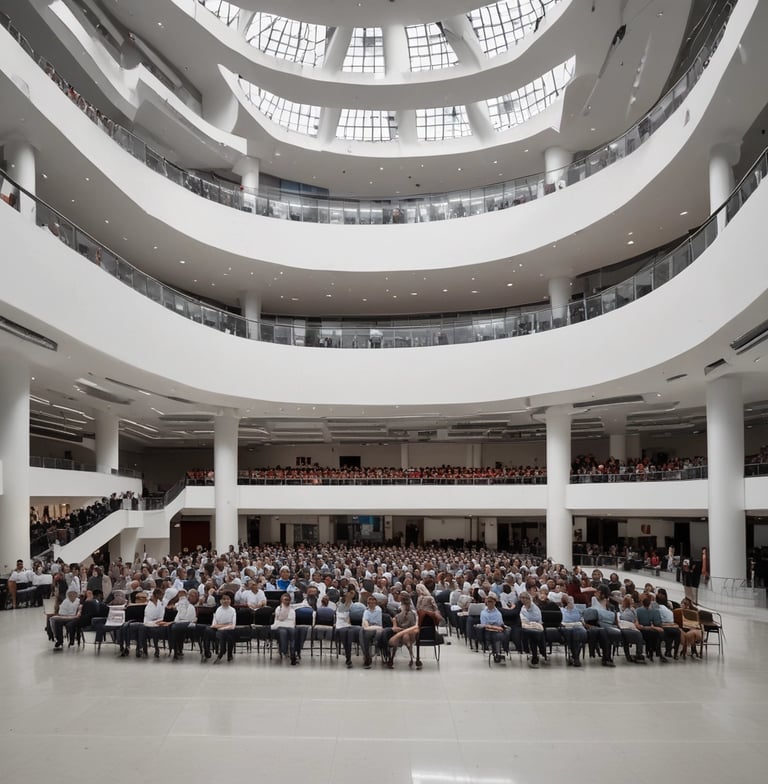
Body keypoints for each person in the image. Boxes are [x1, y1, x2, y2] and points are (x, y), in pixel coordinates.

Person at [384, 594, 418, 668]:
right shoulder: (411, 614)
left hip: (403, 634)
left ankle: (392, 658)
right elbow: (412, 626)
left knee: (403, 636)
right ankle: (411, 657)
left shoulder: (399, 616)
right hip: (406, 634)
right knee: (405, 636)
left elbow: (396, 627)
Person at [203, 592, 237, 663]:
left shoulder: (232, 610)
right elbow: (214, 624)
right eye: (224, 599)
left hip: (228, 631)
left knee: (221, 633)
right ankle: (207, 652)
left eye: (228, 599)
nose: (226, 601)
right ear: (220, 600)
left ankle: (221, 653)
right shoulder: (217, 610)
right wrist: (225, 625)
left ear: (230, 600)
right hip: (217, 629)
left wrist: (221, 627)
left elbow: (232, 626)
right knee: (207, 629)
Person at [519, 592, 547, 668]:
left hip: (536, 625)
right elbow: (522, 618)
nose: (523, 600)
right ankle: (532, 653)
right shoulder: (523, 608)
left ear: (529, 599)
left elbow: (536, 618)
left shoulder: (535, 608)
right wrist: (526, 621)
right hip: (527, 626)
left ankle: (535, 655)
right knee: (525, 631)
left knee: (533, 634)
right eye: (521, 598)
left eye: (525, 598)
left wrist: (528, 621)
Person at [334, 589, 361, 668]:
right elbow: (342, 616)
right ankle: (348, 658)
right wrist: (349, 598)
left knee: (353, 632)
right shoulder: (339, 605)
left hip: (349, 626)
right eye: (346, 595)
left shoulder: (353, 605)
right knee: (345, 633)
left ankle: (365, 657)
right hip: (340, 626)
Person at [479, 595, 509, 664]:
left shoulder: (498, 613)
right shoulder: (483, 612)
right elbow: (484, 624)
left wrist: (497, 626)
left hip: (498, 630)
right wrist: (493, 626)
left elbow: (500, 623)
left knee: (506, 632)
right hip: (488, 631)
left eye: (492, 602)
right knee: (499, 636)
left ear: (495, 602)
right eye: (488, 602)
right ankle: (498, 653)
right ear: (486, 603)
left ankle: (500, 651)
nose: (490, 603)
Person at [559, 595, 587, 667]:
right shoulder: (562, 610)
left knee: (578, 632)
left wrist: (578, 623)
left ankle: (574, 656)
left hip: (577, 626)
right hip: (567, 627)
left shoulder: (578, 610)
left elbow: (582, 621)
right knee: (570, 631)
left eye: (572, 601)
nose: (570, 602)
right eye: (569, 601)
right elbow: (562, 622)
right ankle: (575, 657)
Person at [271, 593, 298, 665]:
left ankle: (293, 654)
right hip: (280, 625)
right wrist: (284, 609)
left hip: (290, 626)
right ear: (282, 600)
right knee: (283, 633)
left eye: (288, 600)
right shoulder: (279, 608)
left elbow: (293, 620)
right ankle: (284, 652)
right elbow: (280, 618)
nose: (287, 601)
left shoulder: (292, 609)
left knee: (293, 634)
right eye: (285, 600)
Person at [361, 595, 384, 669]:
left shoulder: (378, 610)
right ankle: (367, 656)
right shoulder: (366, 611)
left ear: (375, 603)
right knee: (363, 633)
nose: (371, 604)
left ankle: (368, 655)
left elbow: (377, 624)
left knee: (372, 632)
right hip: (369, 628)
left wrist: (367, 626)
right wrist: (367, 626)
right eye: (369, 603)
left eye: (372, 603)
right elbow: (365, 621)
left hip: (377, 628)